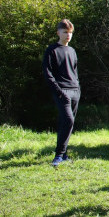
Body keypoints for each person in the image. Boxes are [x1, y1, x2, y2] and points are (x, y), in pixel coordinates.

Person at [43, 19, 81, 167]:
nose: (68, 35)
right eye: (65, 32)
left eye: (70, 33)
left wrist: (78, 89)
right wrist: (59, 92)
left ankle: (63, 154)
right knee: (68, 120)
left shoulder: (72, 51)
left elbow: (75, 71)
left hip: (75, 91)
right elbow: (48, 73)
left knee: (67, 124)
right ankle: (58, 156)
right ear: (58, 32)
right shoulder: (51, 50)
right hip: (62, 91)